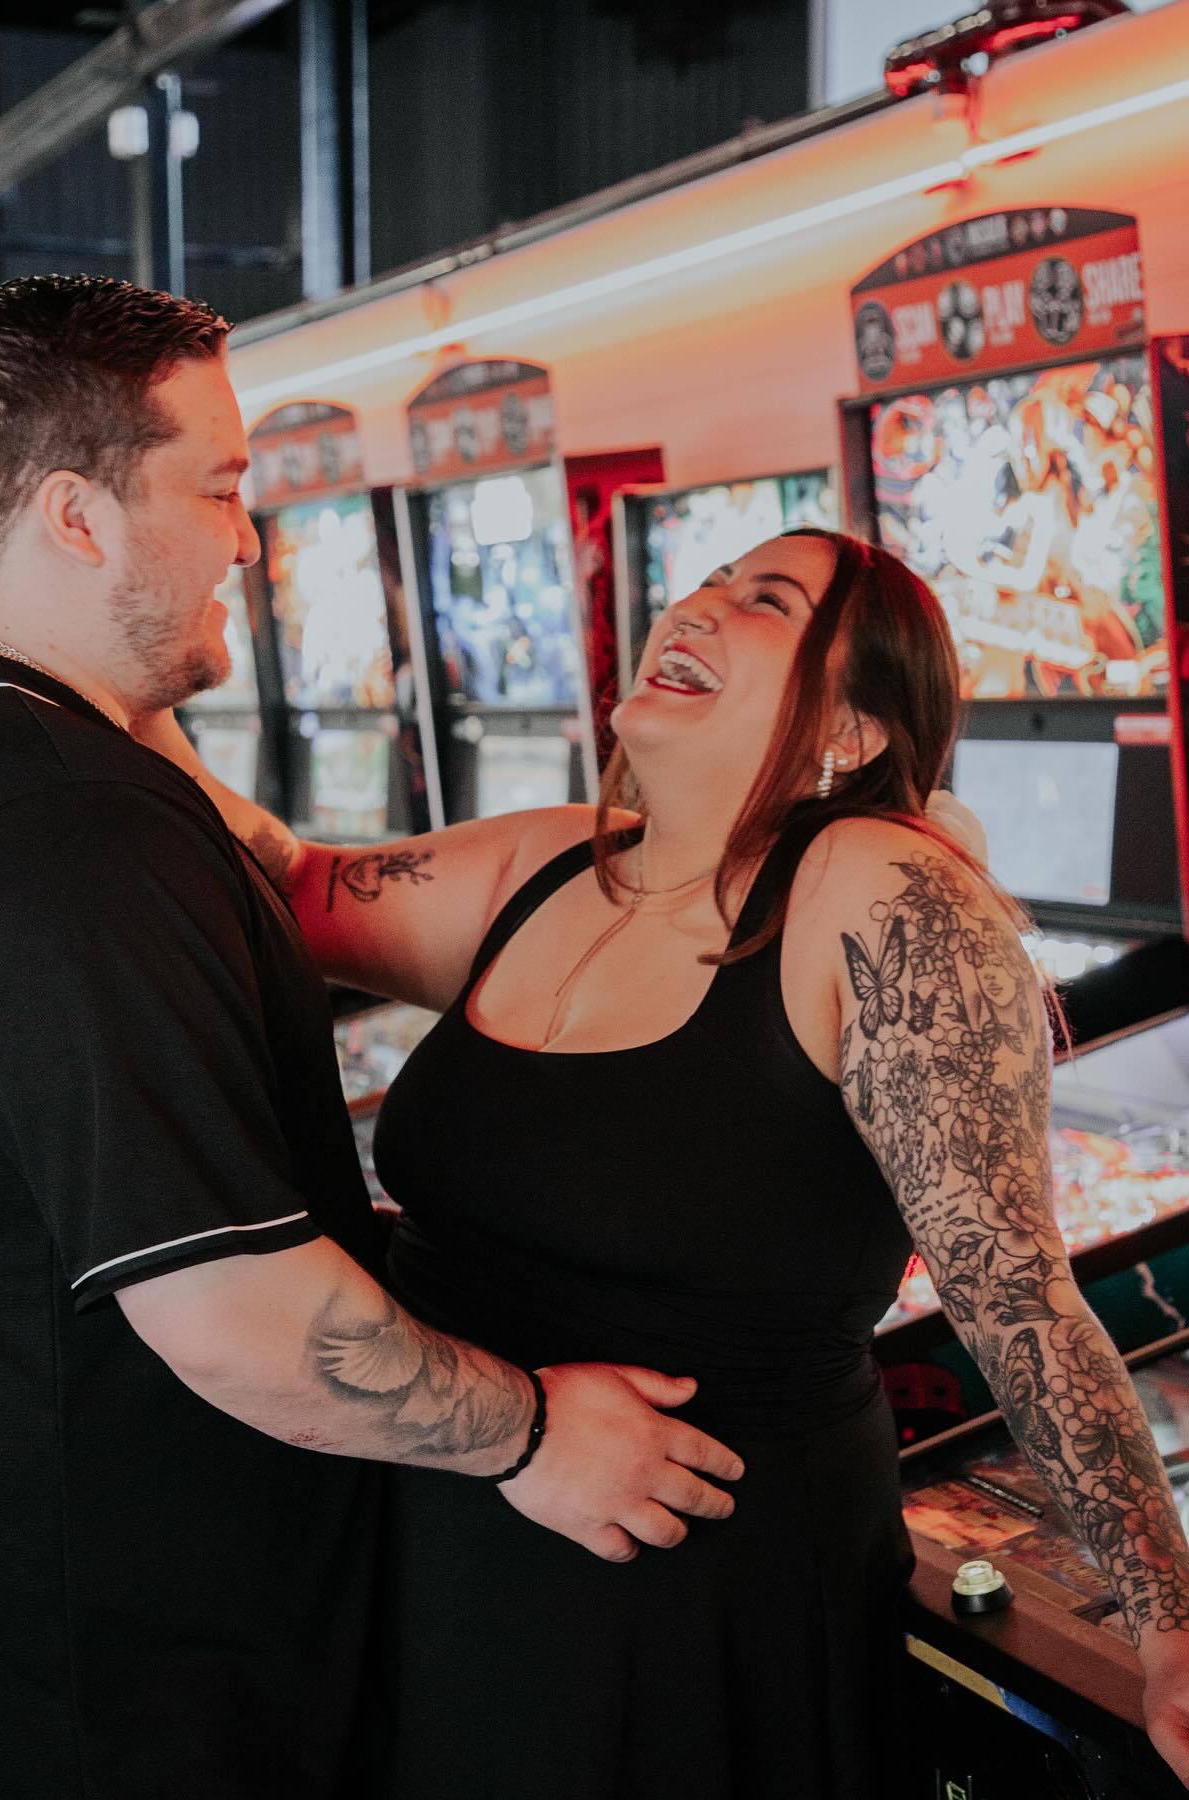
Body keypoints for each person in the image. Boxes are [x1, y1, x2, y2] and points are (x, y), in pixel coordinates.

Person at [0, 276, 745, 1800]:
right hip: (91, 1697)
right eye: (220, 489)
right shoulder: (53, 826)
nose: (249, 541)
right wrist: (534, 1431)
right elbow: (240, 1321)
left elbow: (269, 879)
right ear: (77, 519)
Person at [142, 527, 1189, 1796]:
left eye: (767, 600)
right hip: (448, 1527)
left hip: (695, 1577)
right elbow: (290, 883)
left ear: (850, 732)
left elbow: (1012, 1292)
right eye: (704, 580)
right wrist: (110, 688)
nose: (697, 602)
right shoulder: (547, 865)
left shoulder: (881, 892)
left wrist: (1169, 1621)